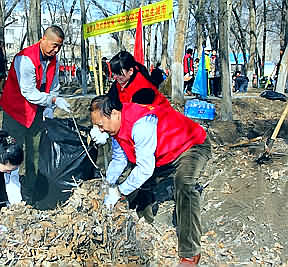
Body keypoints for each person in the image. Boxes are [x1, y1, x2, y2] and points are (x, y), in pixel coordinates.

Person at [89, 95, 211, 264]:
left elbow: (145, 169)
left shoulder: (141, 124)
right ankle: (144, 224)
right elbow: (119, 159)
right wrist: (108, 184)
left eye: (100, 125)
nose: (100, 130)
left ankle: (190, 252)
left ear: (115, 114)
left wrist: (119, 191)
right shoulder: (114, 128)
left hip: (190, 145)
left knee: (185, 185)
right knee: (137, 180)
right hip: (163, 154)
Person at [0, 25, 71, 204]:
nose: (56, 50)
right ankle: (9, 194)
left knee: (36, 152)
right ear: (43, 39)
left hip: (36, 113)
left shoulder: (54, 60)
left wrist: (49, 110)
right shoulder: (25, 59)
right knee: (12, 151)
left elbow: (53, 87)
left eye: (59, 47)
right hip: (16, 112)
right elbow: (29, 92)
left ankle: (33, 190)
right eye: (54, 45)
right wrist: (53, 101)